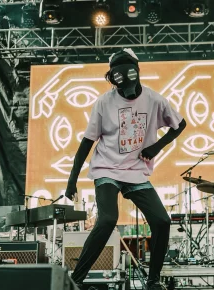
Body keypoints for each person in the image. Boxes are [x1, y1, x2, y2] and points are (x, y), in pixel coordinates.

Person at [64, 48, 187, 290]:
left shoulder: (154, 99)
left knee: (162, 221)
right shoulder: (104, 103)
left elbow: (180, 124)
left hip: (135, 171)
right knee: (108, 219)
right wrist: (72, 180)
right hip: (106, 169)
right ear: (113, 79)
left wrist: (157, 147)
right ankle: (75, 281)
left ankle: (153, 281)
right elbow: (86, 143)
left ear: (136, 72)